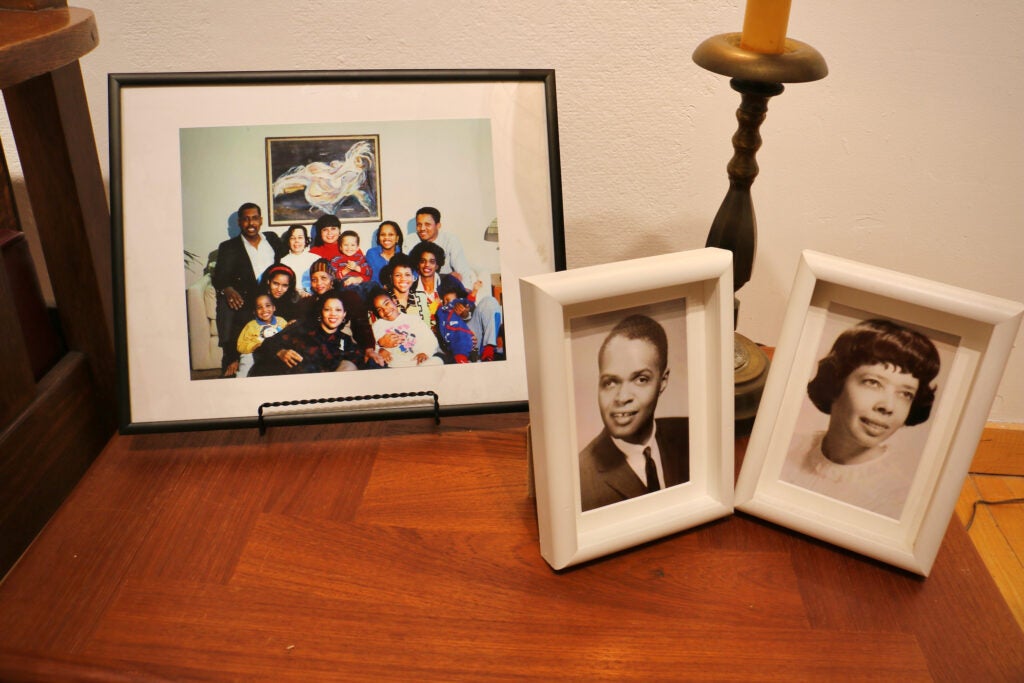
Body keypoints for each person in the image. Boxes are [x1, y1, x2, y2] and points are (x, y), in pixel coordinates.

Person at [780, 318, 940, 519]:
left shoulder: (896, 499)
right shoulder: (785, 448)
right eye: (873, 383)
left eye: (905, 394)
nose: (888, 406)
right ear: (836, 381)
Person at [578, 314, 689, 512]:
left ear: (663, 381)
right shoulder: (580, 477)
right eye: (610, 382)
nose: (622, 397)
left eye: (640, 379)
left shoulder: (691, 434)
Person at [211, 202, 285, 377]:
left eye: (254, 218)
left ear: (261, 220)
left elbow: (286, 264)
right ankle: (231, 359)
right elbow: (219, 276)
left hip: (273, 296)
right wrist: (227, 289)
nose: (250, 223)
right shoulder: (229, 247)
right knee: (227, 305)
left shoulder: (272, 239)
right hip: (246, 297)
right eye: (245, 219)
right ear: (239, 222)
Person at [250, 292, 361, 375]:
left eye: (338, 310)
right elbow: (268, 343)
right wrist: (280, 352)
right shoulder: (302, 327)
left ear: (344, 314)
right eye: (327, 309)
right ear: (321, 312)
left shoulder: (345, 340)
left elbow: (359, 359)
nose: (333, 314)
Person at [303, 258, 380, 367]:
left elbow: (361, 325)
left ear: (332, 279)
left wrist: (369, 349)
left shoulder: (348, 296)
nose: (319, 283)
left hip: (345, 349)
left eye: (323, 278)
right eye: (314, 279)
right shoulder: (310, 302)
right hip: (318, 352)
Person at [370, 292, 443, 368]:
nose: (385, 310)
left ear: (394, 301)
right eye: (379, 309)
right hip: (395, 365)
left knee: (437, 361)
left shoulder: (414, 319)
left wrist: (425, 353)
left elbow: (431, 340)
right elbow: (371, 346)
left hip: (418, 361)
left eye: (387, 303)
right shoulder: (377, 326)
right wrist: (379, 350)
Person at [411, 206, 477, 286]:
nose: (422, 228)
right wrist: (445, 276)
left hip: (445, 288)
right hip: (420, 287)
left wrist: (466, 291)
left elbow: (462, 270)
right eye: (419, 225)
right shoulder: (411, 241)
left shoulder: (450, 240)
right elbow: (409, 272)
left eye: (427, 224)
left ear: (438, 225)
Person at [409, 240, 467, 322]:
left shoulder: (450, 281)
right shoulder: (411, 288)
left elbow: (469, 306)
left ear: (437, 265)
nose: (427, 265)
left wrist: (465, 313)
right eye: (422, 261)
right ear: (418, 264)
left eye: (432, 262)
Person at [235, 293, 289, 378]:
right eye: (259, 307)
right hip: (256, 353)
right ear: (254, 312)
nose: (264, 310)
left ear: (274, 307)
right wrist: (254, 346)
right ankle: (241, 381)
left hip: (274, 352)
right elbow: (241, 345)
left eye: (267, 305)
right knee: (246, 359)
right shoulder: (251, 326)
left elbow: (288, 336)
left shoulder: (281, 321)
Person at [378, 254, 432, 329]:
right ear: (391, 278)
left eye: (407, 275)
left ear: (413, 277)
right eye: (398, 275)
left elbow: (427, 328)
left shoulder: (421, 298)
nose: (403, 279)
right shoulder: (384, 301)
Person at [278, 224, 319, 295]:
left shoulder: (316, 258)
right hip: (292, 297)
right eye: (293, 238)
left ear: (306, 240)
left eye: (300, 237)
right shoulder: (283, 261)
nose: (296, 241)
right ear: (288, 241)